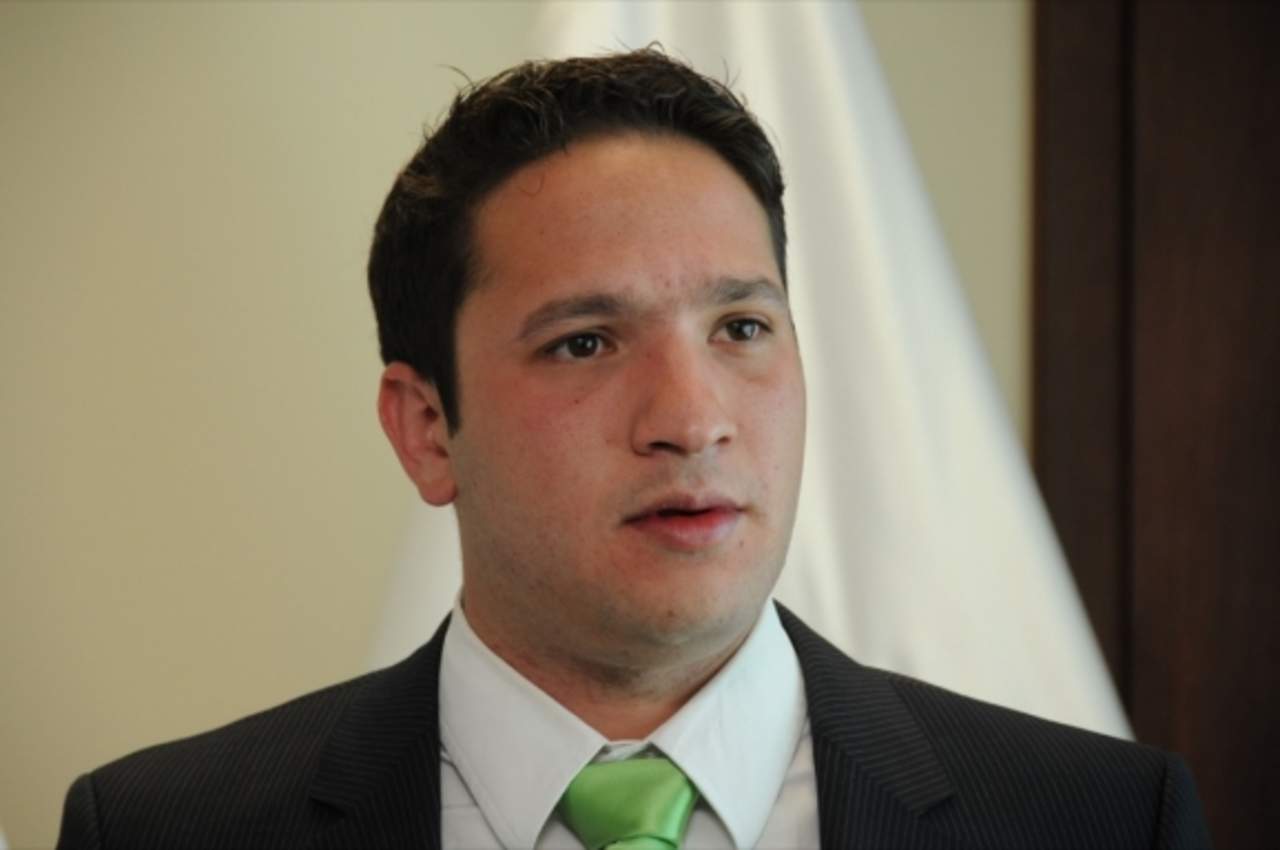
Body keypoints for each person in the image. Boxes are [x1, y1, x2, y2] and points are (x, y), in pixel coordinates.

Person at [57, 49, 1211, 849]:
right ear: (425, 428)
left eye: (740, 328)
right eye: (585, 342)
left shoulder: (1103, 822)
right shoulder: (161, 830)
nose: (690, 418)